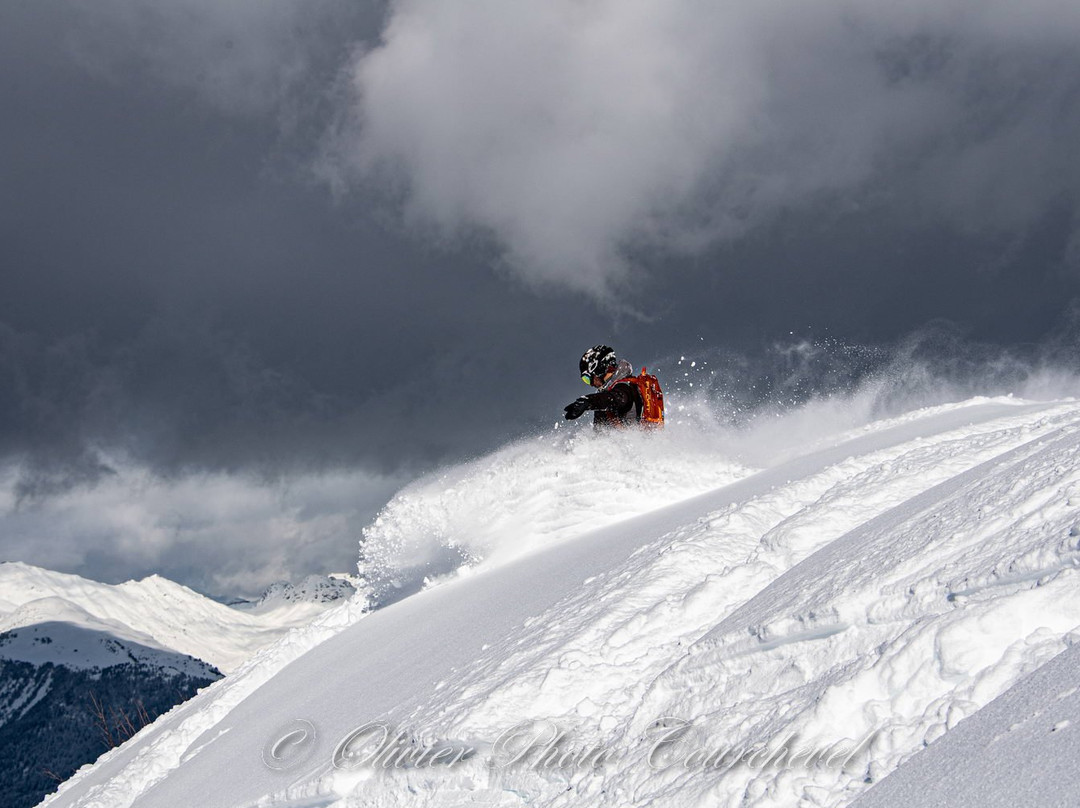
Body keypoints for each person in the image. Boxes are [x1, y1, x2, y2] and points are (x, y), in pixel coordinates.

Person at [563, 345, 644, 427]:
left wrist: (588, 402)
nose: (591, 384)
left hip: (632, 438)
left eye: (588, 378)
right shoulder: (605, 396)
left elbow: (613, 399)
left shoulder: (625, 388)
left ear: (600, 369)